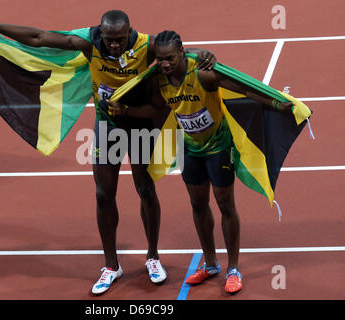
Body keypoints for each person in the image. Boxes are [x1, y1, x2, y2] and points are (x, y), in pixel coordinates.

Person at [0, 11, 217, 295]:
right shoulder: (90, 44)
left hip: (141, 123)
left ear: (130, 32)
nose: (115, 46)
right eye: (110, 40)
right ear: (102, 34)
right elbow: (39, 37)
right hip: (108, 127)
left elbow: (178, 53)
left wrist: (202, 53)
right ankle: (111, 266)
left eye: (120, 40)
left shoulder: (147, 45)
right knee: (103, 194)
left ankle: (153, 257)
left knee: (145, 189)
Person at [108, 30, 293, 294]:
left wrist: (276, 102)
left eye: (170, 58)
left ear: (182, 52)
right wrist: (126, 111)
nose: (165, 64)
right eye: (159, 59)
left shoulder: (203, 73)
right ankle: (210, 264)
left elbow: (243, 88)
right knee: (198, 204)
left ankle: (233, 268)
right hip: (190, 148)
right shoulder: (158, 80)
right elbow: (158, 109)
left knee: (225, 204)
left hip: (218, 146)